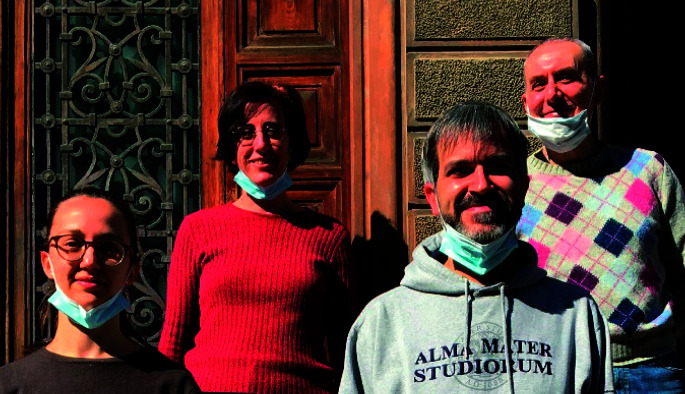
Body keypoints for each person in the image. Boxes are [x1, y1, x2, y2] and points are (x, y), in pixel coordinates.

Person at [339, 101, 613, 393]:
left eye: (497, 167)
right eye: (460, 170)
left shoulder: (577, 317)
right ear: (432, 197)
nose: (480, 185)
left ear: (523, 187)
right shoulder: (380, 324)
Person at [159, 81, 356, 392]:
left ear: (293, 143)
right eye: (245, 133)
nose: (260, 144)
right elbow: (173, 344)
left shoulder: (329, 237)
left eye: (273, 131)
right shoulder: (198, 230)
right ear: (230, 145)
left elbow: (348, 349)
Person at [516, 37, 685, 392]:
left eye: (566, 78)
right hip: (552, 374)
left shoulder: (648, 170)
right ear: (526, 101)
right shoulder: (514, 185)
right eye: (538, 84)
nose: (551, 95)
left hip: (649, 374)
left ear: (598, 89)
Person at [0, 187, 200, 394]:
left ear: (132, 270)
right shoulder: (9, 384)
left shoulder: (174, 385)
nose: (90, 261)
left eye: (109, 248)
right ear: (47, 263)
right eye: (72, 244)